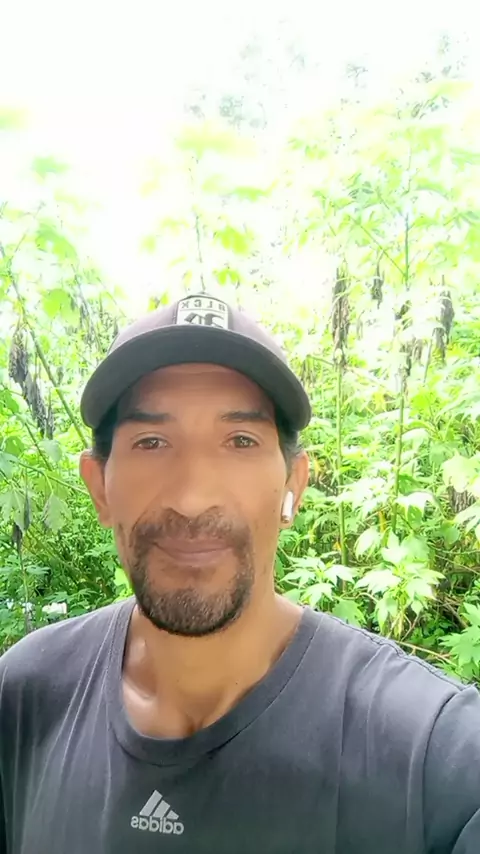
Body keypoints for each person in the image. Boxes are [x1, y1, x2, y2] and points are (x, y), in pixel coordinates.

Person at [1, 291, 479, 854]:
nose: (192, 497)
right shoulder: (24, 699)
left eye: (240, 441)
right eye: (151, 442)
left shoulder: (432, 755)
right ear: (99, 487)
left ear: (293, 486)